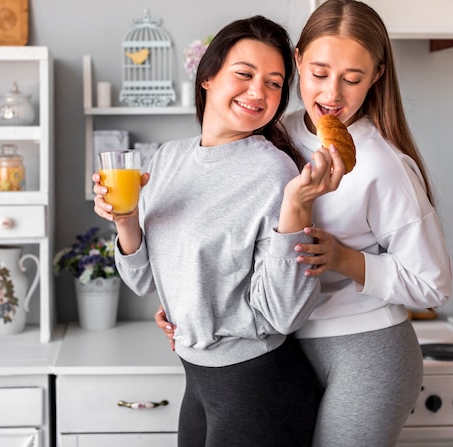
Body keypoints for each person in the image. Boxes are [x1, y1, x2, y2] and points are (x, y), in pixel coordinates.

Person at [156, 1, 452, 446]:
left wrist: (344, 258)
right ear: (297, 62)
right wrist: (192, 304)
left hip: (366, 348)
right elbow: (235, 243)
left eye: (352, 79)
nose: (332, 94)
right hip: (285, 348)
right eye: (318, 73)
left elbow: (433, 285)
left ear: (376, 76)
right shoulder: (274, 135)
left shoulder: (383, 166)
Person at [93, 15, 345, 447]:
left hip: (258, 388)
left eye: (273, 83)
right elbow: (143, 280)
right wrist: (125, 221)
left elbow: (284, 314)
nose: (258, 92)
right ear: (207, 77)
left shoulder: (274, 172)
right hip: (198, 380)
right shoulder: (167, 160)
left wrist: (296, 206)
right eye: (244, 74)